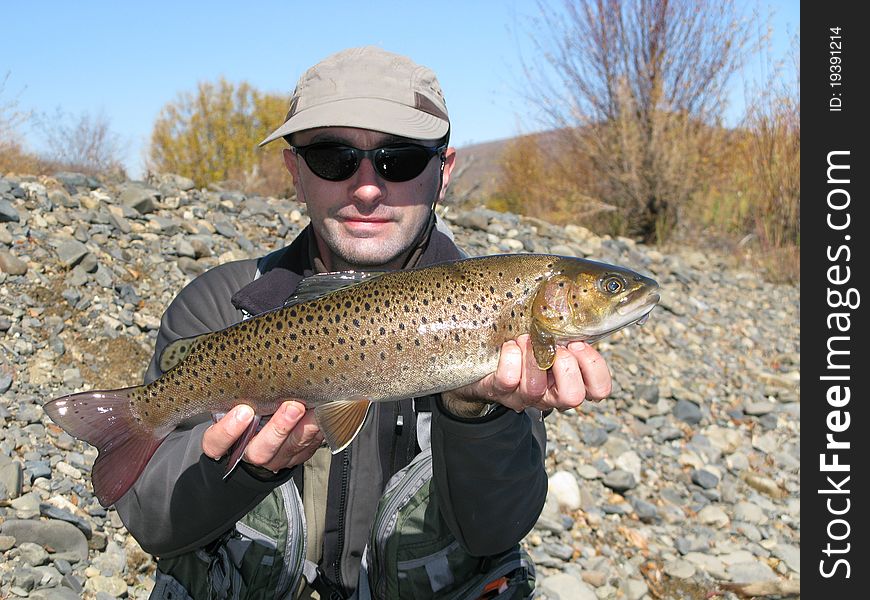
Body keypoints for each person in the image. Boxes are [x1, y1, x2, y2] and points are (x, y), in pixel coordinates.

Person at [115, 46, 612, 599]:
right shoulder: (219, 307)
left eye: (400, 160)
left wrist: (475, 413)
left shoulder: (495, 310)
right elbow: (150, 522)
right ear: (295, 171)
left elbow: (494, 531)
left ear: (443, 172)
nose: (368, 187)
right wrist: (241, 468)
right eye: (334, 157)